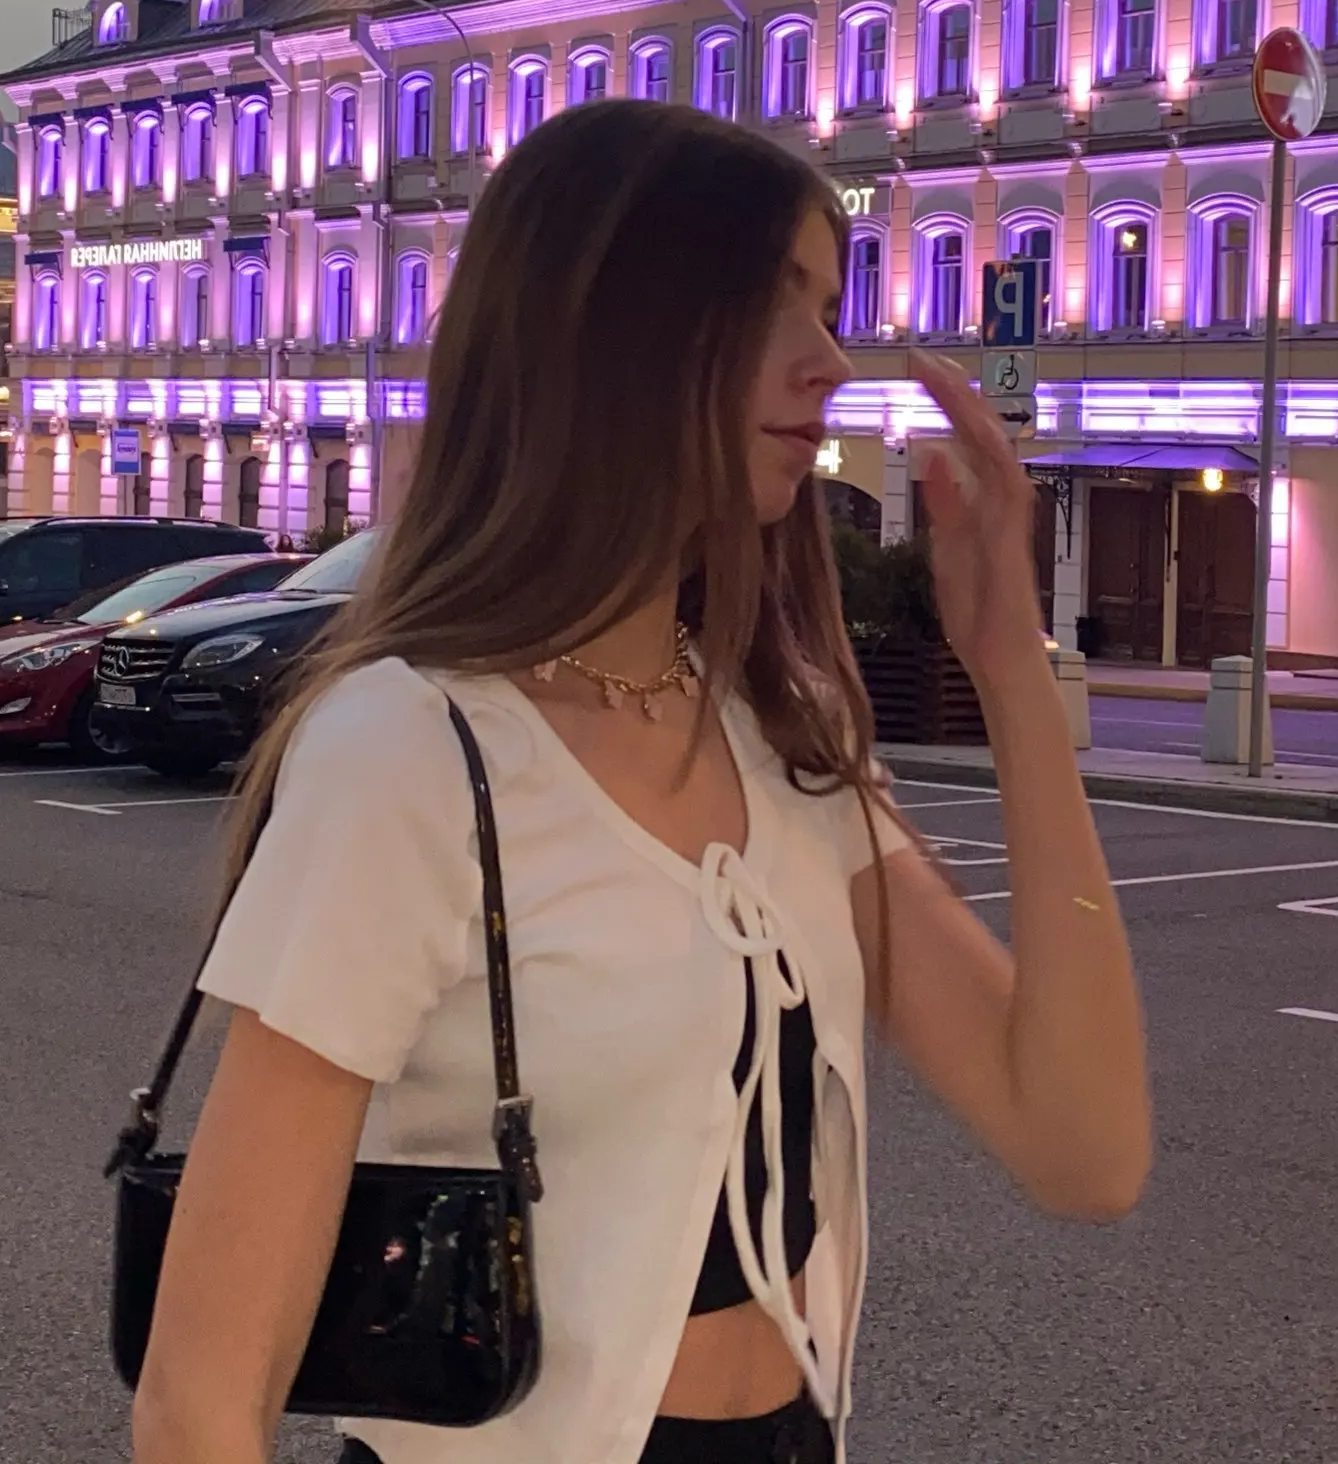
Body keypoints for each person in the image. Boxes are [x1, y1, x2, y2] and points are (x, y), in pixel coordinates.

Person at [132, 99, 1151, 1464]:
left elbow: (1084, 1152)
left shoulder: (779, 740)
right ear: (603, 330)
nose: (830, 362)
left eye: (830, 309)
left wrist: (1010, 667)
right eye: (772, 306)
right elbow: (202, 1397)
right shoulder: (413, 750)